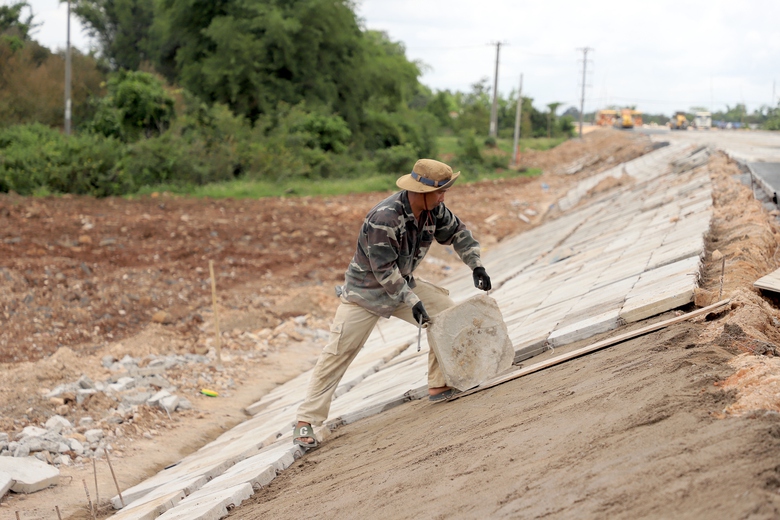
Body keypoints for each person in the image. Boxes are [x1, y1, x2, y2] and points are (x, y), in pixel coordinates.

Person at [293, 158, 491, 448]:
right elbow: (383, 271)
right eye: (440, 192)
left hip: (404, 284)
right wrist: (412, 300)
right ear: (420, 191)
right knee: (339, 351)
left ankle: (439, 384)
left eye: (445, 191)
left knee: (447, 314)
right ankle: (305, 421)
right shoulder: (384, 218)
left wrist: (476, 265)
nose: (443, 197)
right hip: (366, 292)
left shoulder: (434, 210)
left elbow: (459, 234)